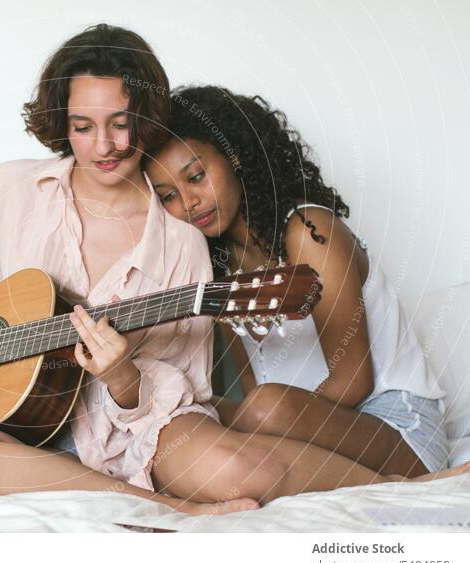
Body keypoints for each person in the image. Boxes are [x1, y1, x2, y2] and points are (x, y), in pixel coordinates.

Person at [0, 27, 466, 517]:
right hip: (25, 425)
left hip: (142, 431)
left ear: (146, 118)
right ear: (63, 123)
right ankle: (166, 508)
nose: (102, 145)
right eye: (83, 126)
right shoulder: (8, 190)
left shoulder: (189, 243)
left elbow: (193, 393)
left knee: (243, 449)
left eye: (120, 123)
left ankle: (408, 485)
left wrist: (123, 378)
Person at [145, 85, 451, 477]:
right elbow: (256, 384)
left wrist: (264, 418)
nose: (188, 202)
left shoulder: (308, 231)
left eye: (197, 176)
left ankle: (427, 480)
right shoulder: (216, 267)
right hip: (298, 429)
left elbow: (354, 381)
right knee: (177, 407)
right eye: (168, 195)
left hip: (393, 429)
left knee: (261, 408)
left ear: (235, 157)